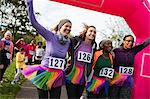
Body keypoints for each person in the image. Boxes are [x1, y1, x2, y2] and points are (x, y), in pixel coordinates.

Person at [22, 0, 72, 99]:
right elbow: (34, 23)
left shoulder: (68, 42)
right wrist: (29, 4)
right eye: (66, 26)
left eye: (70, 27)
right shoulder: (50, 36)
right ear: (60, 27)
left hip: (57, 75)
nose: (69, 29)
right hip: (44, 73)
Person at [65, 24, 97, 99]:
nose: (92, 33)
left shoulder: (94, 46)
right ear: (86, 32)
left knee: (78, 96)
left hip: (83, 75)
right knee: (72, 97)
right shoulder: (76, 41)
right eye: (91, 31)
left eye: (94, 32)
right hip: (72, 72)